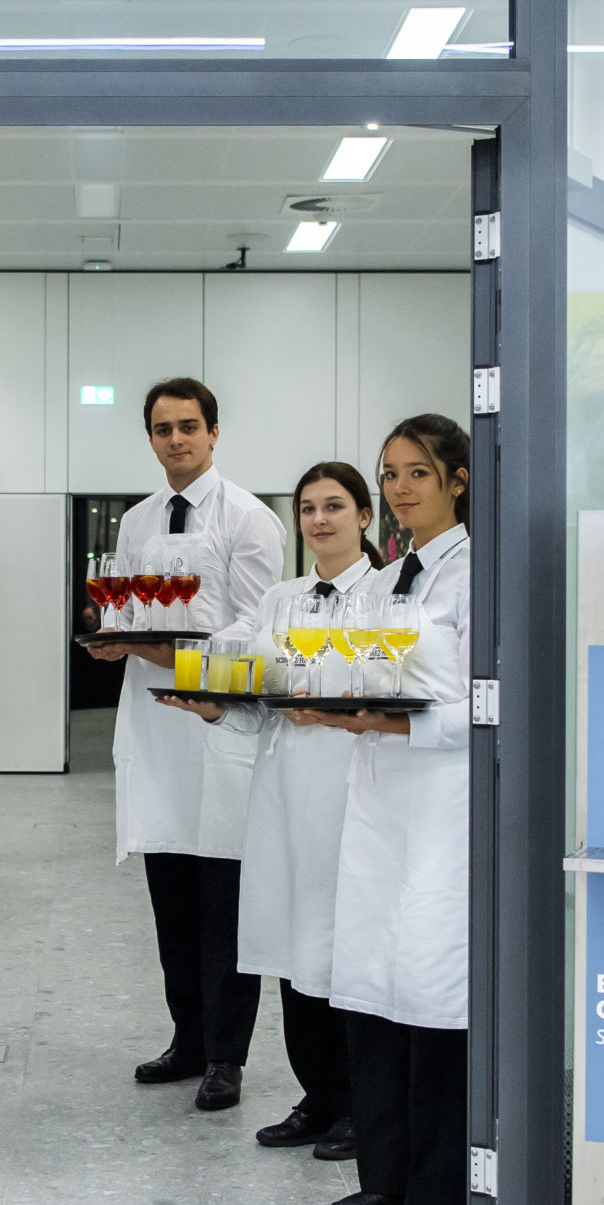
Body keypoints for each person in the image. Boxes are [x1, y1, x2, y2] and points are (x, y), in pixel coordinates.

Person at [153, 462, 379, 1161]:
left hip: (351, 790)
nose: (319, 520)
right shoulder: (280, 600)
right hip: (282, 791)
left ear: (364, 516)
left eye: (334, 506)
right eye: (308, 508)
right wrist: (213, 707)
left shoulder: (388, 599)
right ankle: (317, 1097)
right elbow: (259, 705)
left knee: (342, 949)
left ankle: (360, 1106)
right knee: (289, 945)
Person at [295, 414, 474, 1205]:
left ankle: (439, 1191)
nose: (401, 488)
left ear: (458, 481)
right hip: (375, 793)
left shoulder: (476, 573)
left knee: (430, 987)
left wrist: (402, 725)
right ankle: (385, 1172)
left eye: (418, 473)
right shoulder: (389, 574)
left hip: (439, 798)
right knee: (369, 978)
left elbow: (490, 702)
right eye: (391, 473)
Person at [87, 377, 284, 1112]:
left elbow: (257, 630)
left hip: (219, 726)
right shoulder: (138, 521)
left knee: (224, 904)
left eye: (189, 426)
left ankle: (227, 1055)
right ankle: (188, 1037)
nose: (177, 439)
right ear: (150, 438)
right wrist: (116, 636)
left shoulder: (250, 518)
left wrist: (164, 653)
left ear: (214, 432)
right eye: (164, 428)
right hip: (155, 729)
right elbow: (129, 611)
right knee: (170, 896)